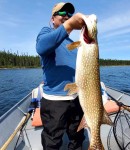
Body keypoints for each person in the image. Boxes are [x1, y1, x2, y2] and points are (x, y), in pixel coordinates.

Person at [36, 2, 85, 150]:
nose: (66, 17)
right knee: (52, 142)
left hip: (76, 99)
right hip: (55, 101)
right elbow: (41, 47)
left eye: (69, 15)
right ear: (53, 19)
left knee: (77, 138)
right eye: (62, 14)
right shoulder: (46, 32)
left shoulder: (73, 43)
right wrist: (70, 24)